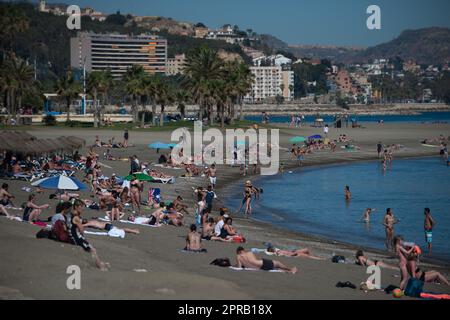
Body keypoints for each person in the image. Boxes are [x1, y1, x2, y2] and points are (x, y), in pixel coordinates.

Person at [66, 199, 108, 271]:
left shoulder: (71, 214)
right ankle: (100, 266)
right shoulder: (76, 217)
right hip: (77, 237)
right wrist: (81, 233)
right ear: (76, 207)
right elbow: (81, 229)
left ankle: (100, 263)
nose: (83, 209)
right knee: (92, 250)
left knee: (91, 248)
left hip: (74, 235)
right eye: (81, 207)